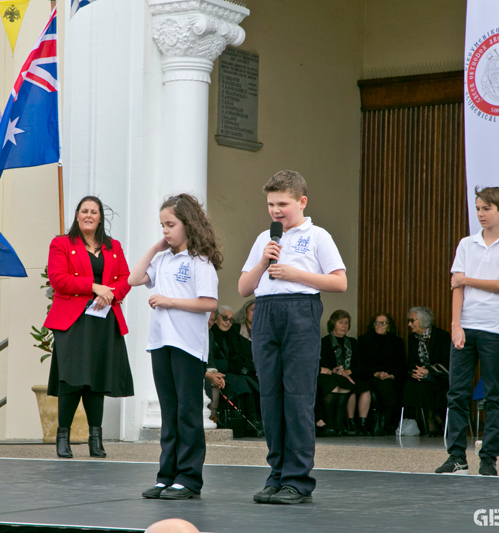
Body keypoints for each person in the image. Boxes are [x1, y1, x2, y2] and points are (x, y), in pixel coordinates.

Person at [238, 170, 347, 505]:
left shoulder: (318, 236)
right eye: (271, 204)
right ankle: (276, 475)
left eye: (282, 203)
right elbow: (244, 287)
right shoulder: (264, 239)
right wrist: (263, 261)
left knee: (297, 397)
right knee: (270, 397)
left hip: (300, 309)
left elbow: (340, 282)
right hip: (266, 311)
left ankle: (298, 480)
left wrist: (295, 273)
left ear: (301, 201)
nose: (276, 210)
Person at [129, 193, 220, 500]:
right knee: (169, 413)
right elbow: (133, 278)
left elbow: (209, 303)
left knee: (188, 413)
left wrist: (169, 301)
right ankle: (166, 475)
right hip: (161, 343)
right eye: (162, 226)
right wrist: (156, 247)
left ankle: (189, 478)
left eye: (171, 225)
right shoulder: (164, 259)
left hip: (188, 347)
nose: (165, 231)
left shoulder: (199, 261)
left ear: (188, 224)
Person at [436, 186, 499, 477]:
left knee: (495, 396)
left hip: (496, 328)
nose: (480, 214)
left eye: (486, 208)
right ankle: (457, 457)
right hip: (466, 326)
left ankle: (488, 458)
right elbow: (456, 287)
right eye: (477, 208)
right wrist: (455, 325)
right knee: (456, 393)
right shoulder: (466, 244)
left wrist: (466, 278)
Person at [43, 196, 134, 459]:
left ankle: (96, 439)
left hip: (104, 318)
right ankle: (63, 437)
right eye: (84, 211)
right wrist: (94, 287)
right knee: (71, 378)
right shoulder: (61, 243)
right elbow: (58, 280)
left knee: (97, 378)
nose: (89, 215)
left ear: (100, 217)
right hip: (71, 320)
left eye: (94, 212)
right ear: (77, 214)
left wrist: (111, 293)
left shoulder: (113, 246)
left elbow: (125, 278)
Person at [210, 303, 263, 437]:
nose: (228, 323)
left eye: (231, 320)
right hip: (217, 372)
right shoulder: (210, 333)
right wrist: (230, 366)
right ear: (216, 318)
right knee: (239, 381)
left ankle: (254, 419)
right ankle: (253, 419)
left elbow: (242, 356)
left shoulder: (231, 335)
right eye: (225, 318)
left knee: (247, 379)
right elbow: (210, 360)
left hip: (231, 373)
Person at [320, 310, 371, 436]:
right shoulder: (324, 342)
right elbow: (324, 364)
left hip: (351, 375)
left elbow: (360, 364)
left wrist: (349, 371)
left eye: (347, 323)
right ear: (333, 324)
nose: (344, 326)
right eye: (341, 322)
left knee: (363, 386)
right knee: (340, 383)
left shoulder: (353, 342)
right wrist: (337, 371)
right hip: (333, 376)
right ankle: (334, 423)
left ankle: (355, 424)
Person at [403, 307, 450, 437]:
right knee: (412, 386)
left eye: (412, 320)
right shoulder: (412, 338)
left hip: (441, 376)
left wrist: (428, 370)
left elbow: (447, 362)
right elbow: (411, 361)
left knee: (432, 387)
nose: (409, 324)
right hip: (421, 377)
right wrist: (417, 372)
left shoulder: (442, 336)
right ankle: (432, 419)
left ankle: (434, 419)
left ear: (423, 321)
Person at [358, 312, 405, 436]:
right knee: (385, 388)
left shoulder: (397, 342)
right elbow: (361, 364)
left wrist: (391, 375)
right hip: (371, 376)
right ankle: (384, 424)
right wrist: (376, 373)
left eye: (383, 323)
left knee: (397, 387)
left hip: (391, 376)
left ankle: (390, 423)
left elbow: (401, 364)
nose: (380, 325)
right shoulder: (364, 340)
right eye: (377, 322)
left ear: (389, 326)